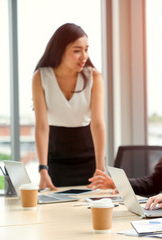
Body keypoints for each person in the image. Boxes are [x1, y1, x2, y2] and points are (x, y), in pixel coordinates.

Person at [32, 23, 105, 189]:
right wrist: (43, 170)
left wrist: (100, 168)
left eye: (86, 49)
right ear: (60, 50)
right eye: (77, 50)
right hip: (56, 156)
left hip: (88, 155)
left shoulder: (93, 76)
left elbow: (98, 124)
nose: (84, 56)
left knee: (88, 208)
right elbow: (42, 126)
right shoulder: (41, 77)